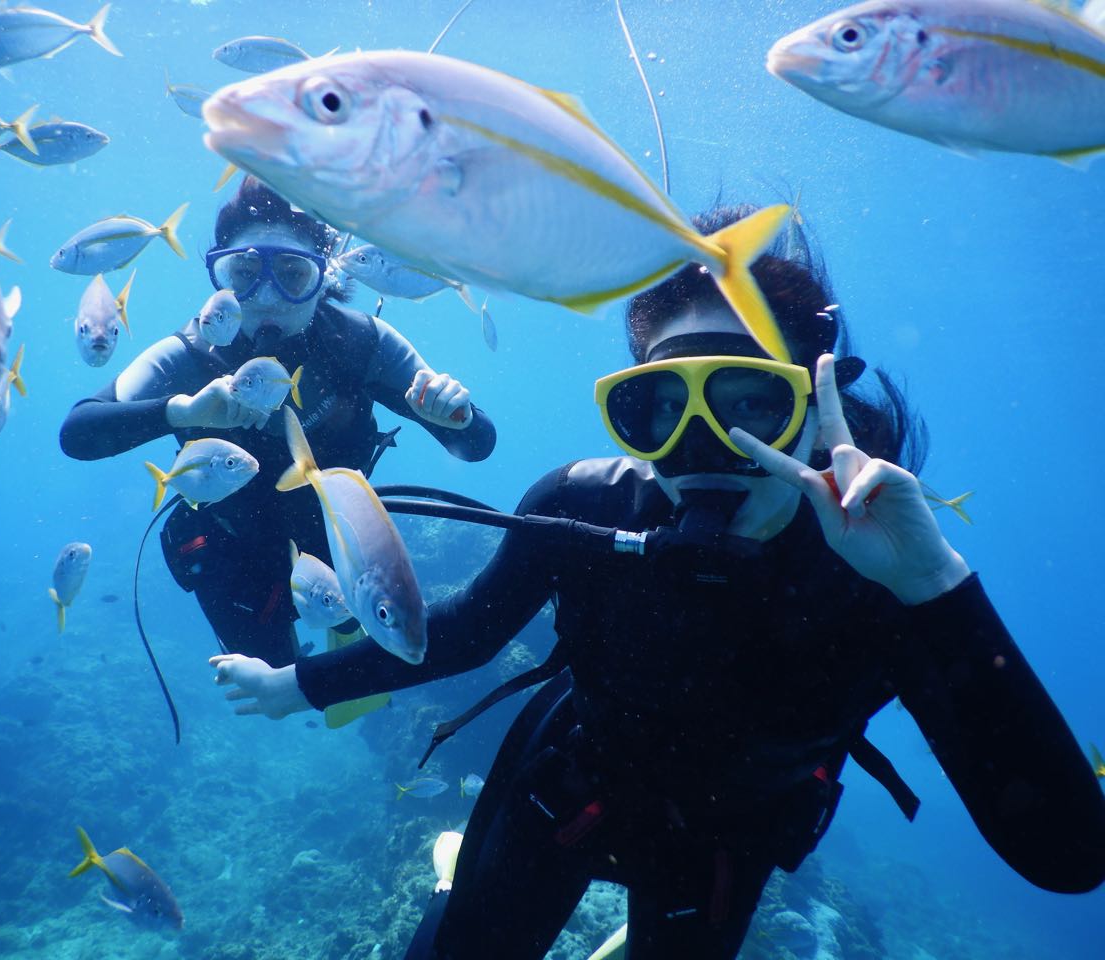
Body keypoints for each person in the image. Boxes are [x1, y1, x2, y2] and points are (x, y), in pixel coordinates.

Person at [206, 206, 1105, 958]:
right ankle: (457, 876)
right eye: (661, 406)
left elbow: (1069, 854)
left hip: (723, 846)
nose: (704, 444)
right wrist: (298, 685)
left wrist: (934, 586)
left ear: (815, 406)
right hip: (563, 788)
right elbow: (467, 630)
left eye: (752, 400)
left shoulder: (877, 569)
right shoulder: (586, 506)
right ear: (627, 412)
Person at [60, 177, 496, 669]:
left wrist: (451, 412)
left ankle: (343, 642)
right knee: (267, 665)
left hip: (340, 546)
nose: (265, 297)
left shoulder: (363, 343)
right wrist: (178, 410)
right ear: (219, 279)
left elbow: (477, 442)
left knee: (375, 639)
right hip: (231, 552)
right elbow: (78, 432)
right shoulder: (190, 355)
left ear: (325, 277)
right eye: (243, 273)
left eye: (292, 274)